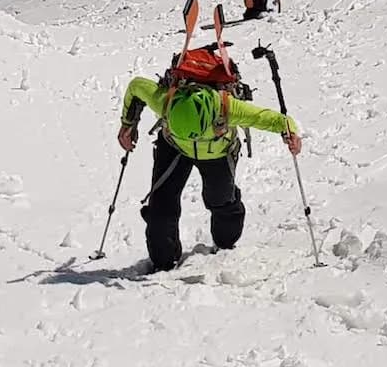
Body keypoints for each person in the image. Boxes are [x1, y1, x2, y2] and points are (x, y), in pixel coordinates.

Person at [117, 76, 302, 271]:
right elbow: (136, 86)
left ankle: (225, 246)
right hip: (174, 146)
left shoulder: (227, 107)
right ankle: (163, 261)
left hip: (217, 152)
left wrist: (290, 132)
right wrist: (127, 123)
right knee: (161, 207)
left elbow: (273, 119)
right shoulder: (164, 100)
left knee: (221, 200)